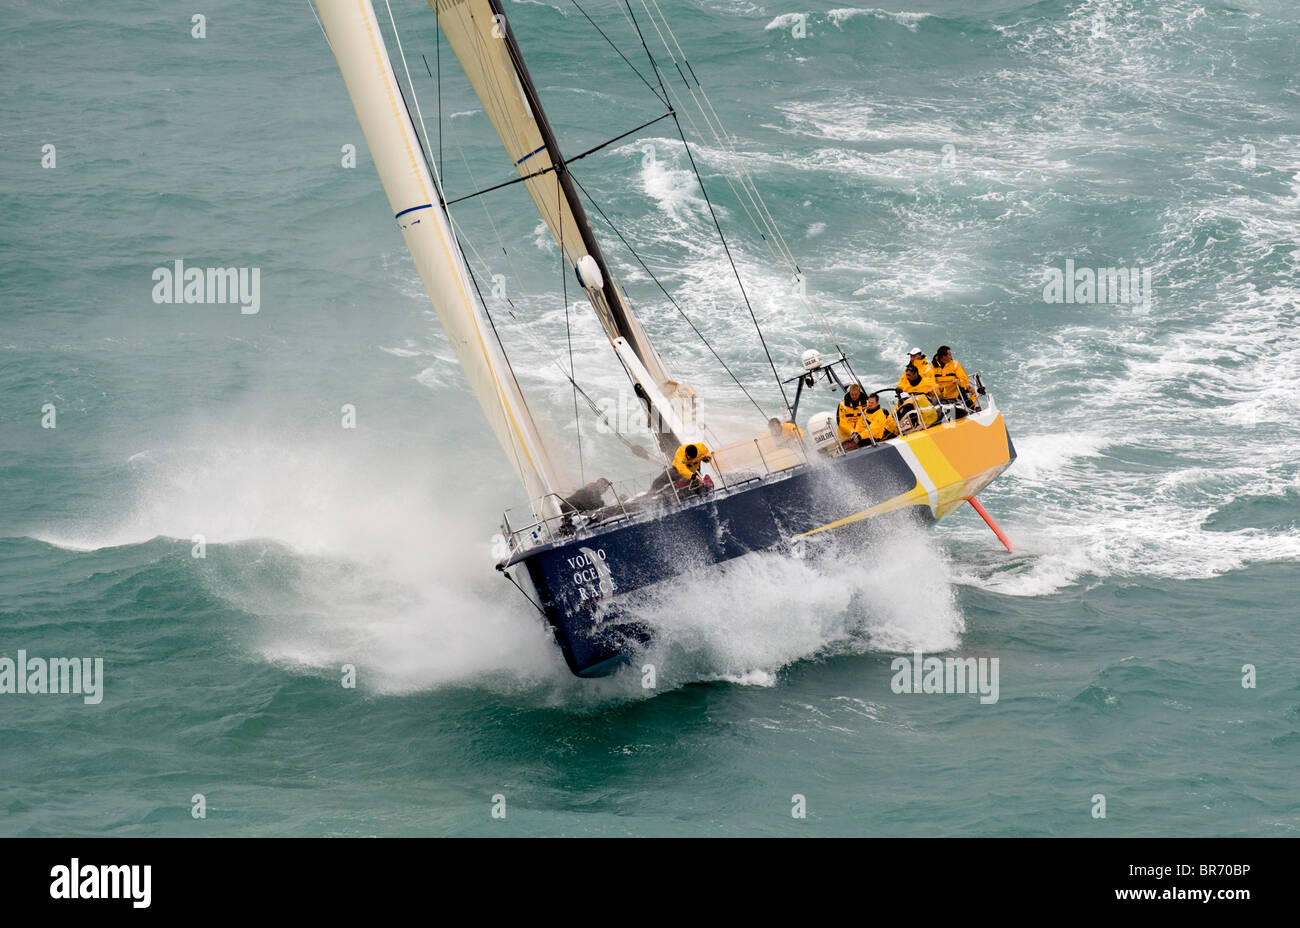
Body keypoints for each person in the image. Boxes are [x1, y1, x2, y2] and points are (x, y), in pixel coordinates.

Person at [649, 442, 714, 496]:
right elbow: (682, 469)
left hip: (693, 472)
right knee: (663, 477)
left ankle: (665, 495)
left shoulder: (701, 447)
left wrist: (708, 458)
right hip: (677, 471)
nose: (690, 460)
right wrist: (694, 477)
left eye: (692, 459)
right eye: (688, 458)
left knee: (680, 489)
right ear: (685, 452)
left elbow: (708, 456)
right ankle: (651, 492)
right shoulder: (680, 453)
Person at [931, 345, 977, 409]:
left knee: (971, 406)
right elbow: (930, 382)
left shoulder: (955, 364)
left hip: (956, 392)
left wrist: (959, 381)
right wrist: (937, 388)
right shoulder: (931, 368)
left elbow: (964, 379)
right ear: (943, 357)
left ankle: (972, 402)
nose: (951, 356)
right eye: (949, 355)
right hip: (940, 395)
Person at [837, 383, 870, 448]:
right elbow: (840, 422)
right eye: (852, 394)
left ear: (859, 393)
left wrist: (858, 433)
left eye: (856, 394)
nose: (854, 396)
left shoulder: (866, 404)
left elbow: (869, 418)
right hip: (846, 438)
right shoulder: (842, 405)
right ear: (849, 393)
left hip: (861, 436)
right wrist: (851, 432)